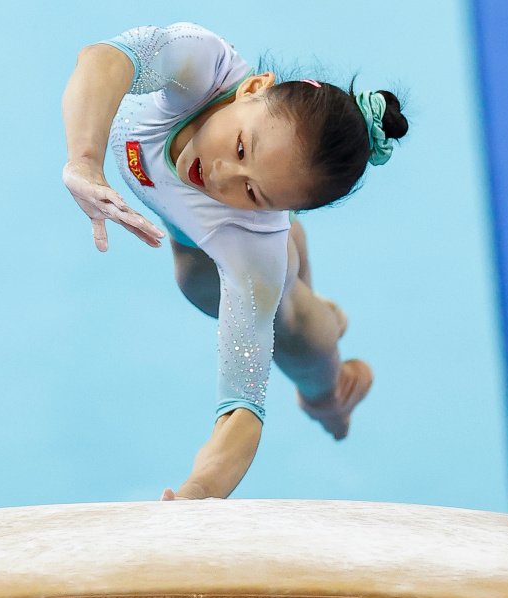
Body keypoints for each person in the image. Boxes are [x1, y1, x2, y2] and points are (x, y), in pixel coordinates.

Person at [61, 23, 408, 500]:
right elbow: (103, 58)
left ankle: (333, 394)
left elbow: (242, 409)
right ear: (253, 88)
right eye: (242, 147)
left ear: (279, 209)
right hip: (209, 243)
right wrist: (85, 160)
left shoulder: (254, 250)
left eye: (253, 192)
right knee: (201, 283)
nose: (221, 174)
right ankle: (294, 255)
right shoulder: (203, 67)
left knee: (289, 332)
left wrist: (197, 494)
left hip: (243, 253)